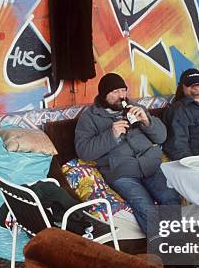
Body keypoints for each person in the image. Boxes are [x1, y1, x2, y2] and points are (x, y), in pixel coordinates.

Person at [74, 73, 182, 233]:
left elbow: (161, 137)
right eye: (115, 92)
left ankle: (178, 242)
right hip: (121, 172)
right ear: (104, 95)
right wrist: (111, 135)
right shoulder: (90, 118)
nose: (121, 96)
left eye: (123, 90)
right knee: (146, 208)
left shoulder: (135, 108)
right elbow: (84, 151)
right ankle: (164, 248)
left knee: (171, 198)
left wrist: (147, 121)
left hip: (150, 164)